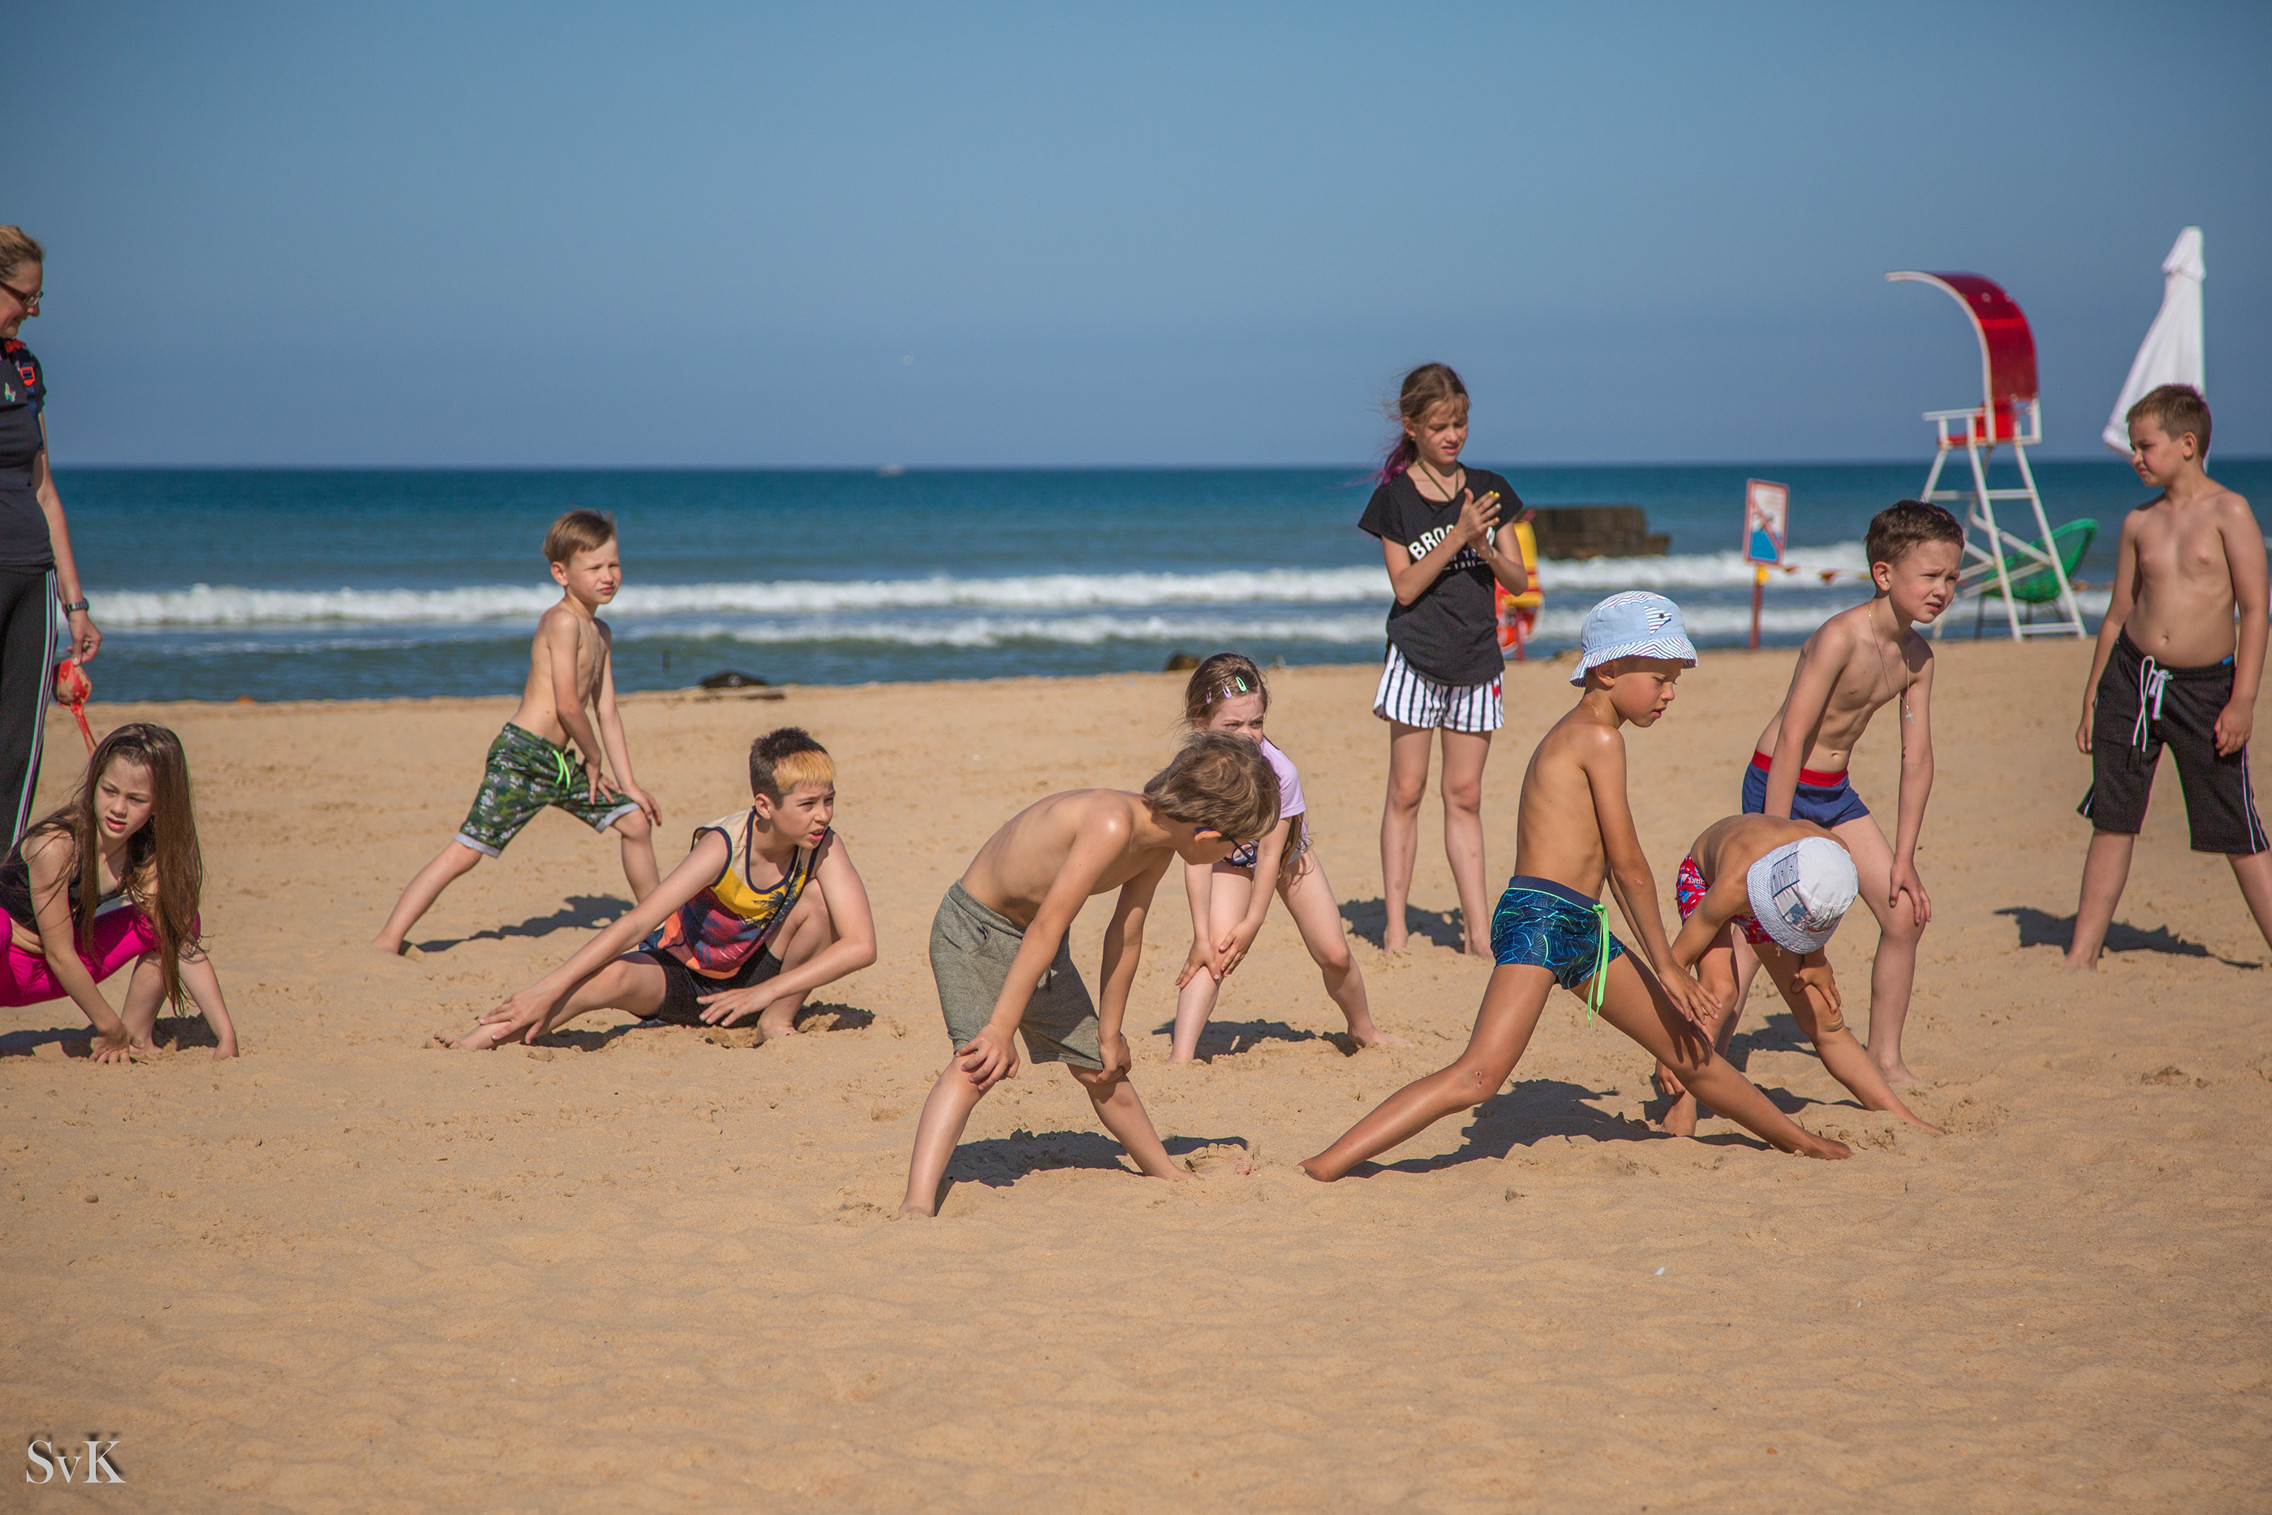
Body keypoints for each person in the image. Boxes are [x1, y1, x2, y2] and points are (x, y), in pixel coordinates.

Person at [1300, 595, 1852, 1182]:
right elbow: (1628, 865)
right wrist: (1667, 966)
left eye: (1675, 680)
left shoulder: (1594, 734)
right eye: (1660, 677)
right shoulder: (1596, 738)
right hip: (1541, 919)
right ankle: (1323, 1165)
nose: (1670, 693)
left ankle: (1799, 1142)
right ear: (1608, 671)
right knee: (1479, 1077)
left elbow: (1613, 870)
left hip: (1581, 926)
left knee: (1691, 1055)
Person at [901, 732, 1280, 1216]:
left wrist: (1109, 1030)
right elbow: (1048, 924)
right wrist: (1000, 1028)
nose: (1234, 858)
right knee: (978, 1063)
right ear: (1206, 834)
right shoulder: (1110, 823)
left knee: (1103, 1069)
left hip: (1038, 943)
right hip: (975, 930)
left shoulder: (1159, 843)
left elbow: (1125, 934)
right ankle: (917, 1202)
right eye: (1237, 848)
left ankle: (1165, 1170)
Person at [438, 728, 876, 1049]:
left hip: (755, 981)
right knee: (606, 978)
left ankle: (775, 1024)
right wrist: (546, 988)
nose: (823, 816)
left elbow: (861, 945)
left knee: (819, 902)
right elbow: (636, 923)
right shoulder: (722, 845)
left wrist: (765, 994)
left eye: (829, 800)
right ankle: (478, 1040)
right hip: (680, 976)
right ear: (764, 805)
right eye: (808, 805)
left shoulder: (822, 846)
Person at [1738, 501, 1963, 1085]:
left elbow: (1918, 759)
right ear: (1884, 575)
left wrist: (1905, 858)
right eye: (1930, 577)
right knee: (1760, 926)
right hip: (1780, 784)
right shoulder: (1840, 638)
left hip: (1834, 793)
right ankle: (1701, 1057)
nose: (1942, 590)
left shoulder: (1918, 658)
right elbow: (1792, 736)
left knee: (1904, 915)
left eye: (1952, 579)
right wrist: (1776, 836)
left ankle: (1886, 1058)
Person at [373, 510, 661, 954]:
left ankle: (657, 926)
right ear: (561, 573)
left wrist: (630, 784)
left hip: (562, 763)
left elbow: (606, 711)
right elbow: (568, 703)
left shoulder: (600, 631)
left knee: (635, 820)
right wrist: (594, 758)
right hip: (523, 756)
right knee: (465, 851)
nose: (609, 576)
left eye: (614, 565)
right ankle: (387, 941)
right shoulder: (561, 621)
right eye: (595, 568)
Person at [2069, 385, 2270, 967]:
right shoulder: (2138, 522)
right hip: (2131, 680)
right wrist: (2091, 698)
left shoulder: (2230, 511)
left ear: (2188, 444)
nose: (2136, 457)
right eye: (2133, 447)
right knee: (2113, 816)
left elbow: (2256, 610)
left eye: (2145, 446)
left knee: (2234, 822)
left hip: (2207, 689)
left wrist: (2243, 700)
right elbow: (2115, 616)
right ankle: (2081, 955)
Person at [1358, 363, 1533, 955]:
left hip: (1478, 659)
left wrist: (1483, 543)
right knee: (1406, 790)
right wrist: (1458, 536)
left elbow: (1519, 580)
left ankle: (1480, 934)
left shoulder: (1488, 489)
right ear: (1412, 427)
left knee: (1465, 795)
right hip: (1415, 656)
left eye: (1459, 423)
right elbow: (1404, 588)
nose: (1453, 435)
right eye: (1439, 426)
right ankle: (1396, 927)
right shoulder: (1394, 501)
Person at [1167, 653, 1394, 1059]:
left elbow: (1271, 853)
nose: (1247, 735)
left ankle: (1364, 1030)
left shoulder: (1279, 771)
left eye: (1256, 723)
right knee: (1214, 951)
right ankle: (1180, 1058)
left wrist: (1253, 922)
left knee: (1334, 954)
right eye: (1232, 725)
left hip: (1288, 856)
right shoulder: (1194, 774)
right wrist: (1201, 934)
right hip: (1228, 857)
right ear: (1201, 725)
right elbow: (1196, 856)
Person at [1656, 814, 1939, 1136]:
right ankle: (1681, 1106)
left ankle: (1900, 1114)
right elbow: (1676, 964)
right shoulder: (1733, 884)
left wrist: (1815, 957)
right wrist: (1668, 1044)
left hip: (1776, 892)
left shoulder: (1835, 861)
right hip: (1707, 881)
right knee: (1720, 990)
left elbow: (1825, 912)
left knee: (1824, 1016)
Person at [1, 723, 236, 1062]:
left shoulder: (143, 854)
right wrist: (108, 1026)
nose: (118, 809)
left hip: (55, 975)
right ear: (94, 784)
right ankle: (120, 1033)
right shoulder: (56, 846)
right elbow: (59, 953)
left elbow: (181, 942)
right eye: (109, 791)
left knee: (174, 921)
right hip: (9, 966)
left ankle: (137, 1034)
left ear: (158, 805)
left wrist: (226, 1035)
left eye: (136, 799)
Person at [0, 227, 103, 843]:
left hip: (31, 579)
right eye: (24, 297)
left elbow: (45, 491)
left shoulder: (25, 367)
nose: (33, 311)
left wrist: (77, 605)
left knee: (17, 750)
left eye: (39, 299)